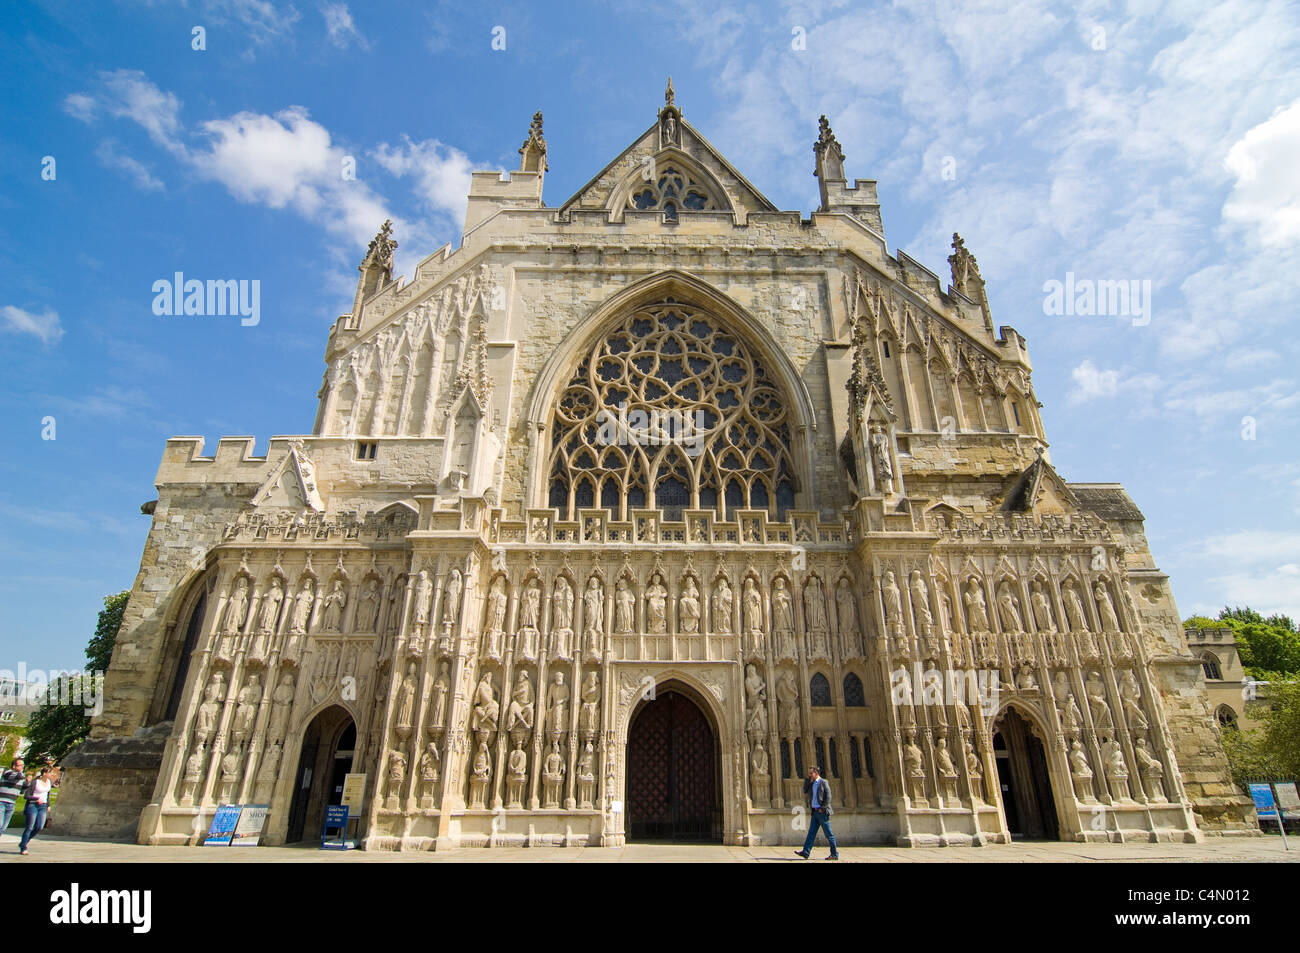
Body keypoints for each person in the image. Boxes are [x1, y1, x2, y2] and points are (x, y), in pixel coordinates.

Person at [795, 765, 839, 860]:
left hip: (822, 812)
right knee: (811, 833)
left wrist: (822, 808)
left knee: (828, 834)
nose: (810, 775)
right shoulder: (811, 783)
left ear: (816, 773)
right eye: (809, 774)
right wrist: (808, 781)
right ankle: (806, 852)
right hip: (814, 812)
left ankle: (834, 854)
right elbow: (805, 791)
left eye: (811, 773)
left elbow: (828, 797)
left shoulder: (823, 782)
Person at [18, 764, 53, 855]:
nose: (52, 774)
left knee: (39, 827)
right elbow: (27, 795)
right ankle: (23, 846)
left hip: (43, 806)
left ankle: (24, 842)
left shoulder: (49, 782)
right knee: (29, 827)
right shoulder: (35, 782)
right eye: (50, 773)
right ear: (44, 773)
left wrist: (48, 805)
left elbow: (47, 795)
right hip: (33, 805)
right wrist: (36, 799)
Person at [0, 757, 24, 836]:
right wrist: (21, 774)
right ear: (14, 766)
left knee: (4, 827)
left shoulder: (21, 776)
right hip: (2, 802)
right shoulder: (7, 772)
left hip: (12, 803)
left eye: (23, 765)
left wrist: (27, 783)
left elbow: (22, 790)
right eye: (20, 765)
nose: (22, 767)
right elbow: (16, 777)